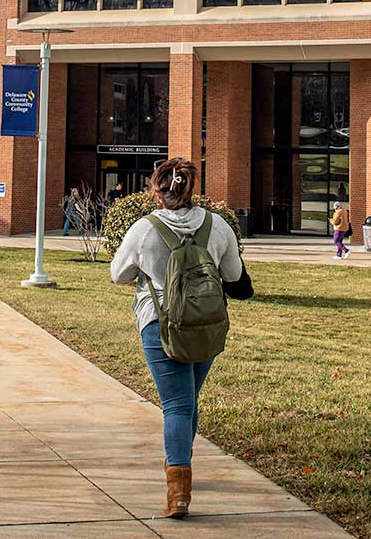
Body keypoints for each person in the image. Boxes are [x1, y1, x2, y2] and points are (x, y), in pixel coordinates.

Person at [109, 157, 242, 519]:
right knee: (188, 400)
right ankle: (183, 466)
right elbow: (233, 272)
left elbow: (118, 275)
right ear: (191, 188)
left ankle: (178, 489)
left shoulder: (144, 228)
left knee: (178, 405)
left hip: (159, 322)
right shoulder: (218, 226)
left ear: (157, 189)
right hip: (207, 323)